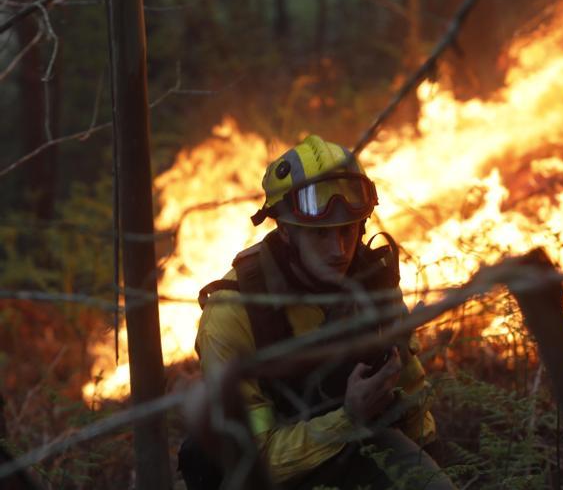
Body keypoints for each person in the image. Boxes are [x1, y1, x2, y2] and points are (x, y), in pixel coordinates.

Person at [181, 135, 455, 489]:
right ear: (286, 230)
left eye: (347, 230)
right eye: (320, 234)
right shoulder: (232, 313)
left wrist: (434, 455)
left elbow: (409, 383)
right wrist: (349, 417)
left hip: (360, 446)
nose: (338, 250)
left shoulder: (372, 282)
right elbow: (257, 461)